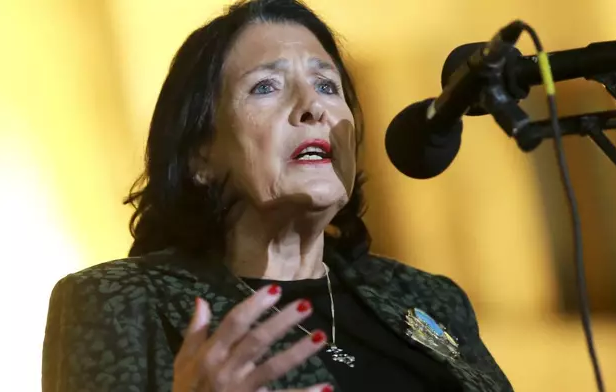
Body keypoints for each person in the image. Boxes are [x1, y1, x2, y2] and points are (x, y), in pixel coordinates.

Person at [42, 0, 513, 391]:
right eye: (266, 86)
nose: (313, 108)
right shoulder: (118, 302)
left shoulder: (432, 298)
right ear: (200, 157)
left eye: (327, 86)